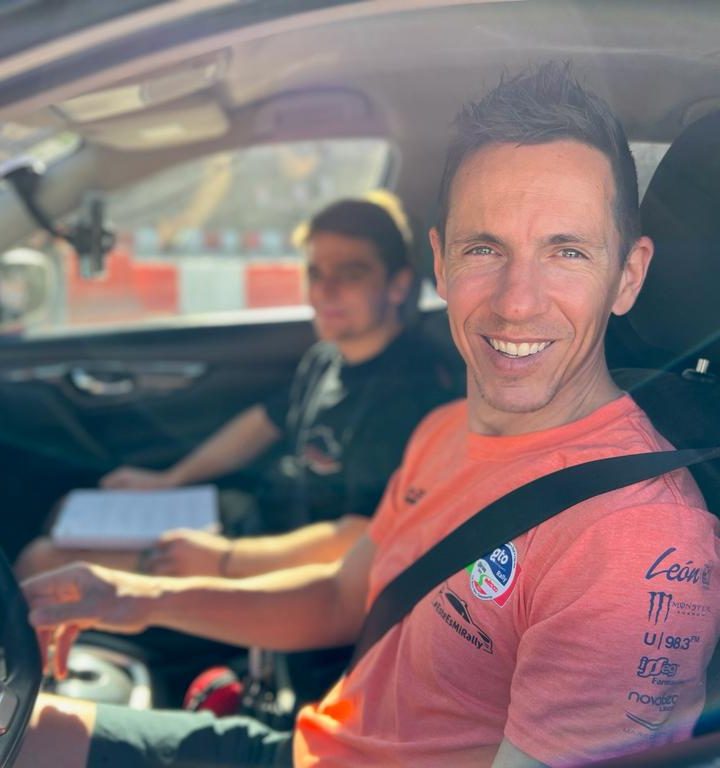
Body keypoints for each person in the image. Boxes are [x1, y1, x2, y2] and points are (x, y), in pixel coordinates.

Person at [18, 63, 720, 768]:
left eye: (566, 252)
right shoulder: (441, 430)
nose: (516, 301)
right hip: (303, 746)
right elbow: (342, 597)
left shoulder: (636, 541)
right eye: (485, 249)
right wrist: (132, 597)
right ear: (441, 264)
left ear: (628, 276)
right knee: (18, 727)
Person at [15, 197, 458, 582]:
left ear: (398, 285)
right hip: (254, 522)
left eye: (351, 273)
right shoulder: (327, 358)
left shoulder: (407, 396)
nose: (325, 290)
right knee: (64, 516)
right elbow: (263, 422)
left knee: (41, 561)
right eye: (315, 272)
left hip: (289, 572)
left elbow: (358, 538)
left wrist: (223, 560)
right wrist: (170, 480)